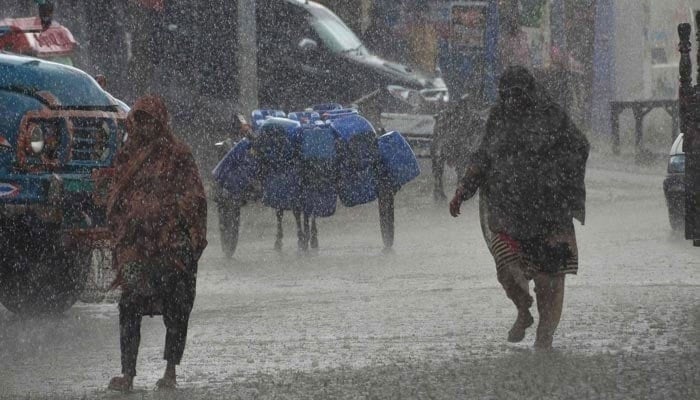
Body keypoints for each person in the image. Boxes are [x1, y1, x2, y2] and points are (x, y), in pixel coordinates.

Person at [449, 66, 589, 350]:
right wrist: (463, 189)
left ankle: (544, 341)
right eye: (507, 94)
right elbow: (483, 156)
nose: (513, 100)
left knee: (550, 282)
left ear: (531, 91)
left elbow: (579, 147)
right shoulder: (498, 118)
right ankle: (524, 311)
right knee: (507, 268)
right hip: (509, 214)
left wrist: (559, 179)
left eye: (518, 93)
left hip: (550, 215)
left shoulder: (553, 117)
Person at [106, 95, 208, 390]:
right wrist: (130, 222)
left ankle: (170, 371)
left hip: (172, 250)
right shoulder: (127, 156)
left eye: (151, 120)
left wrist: (168, 215)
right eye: (140, 121)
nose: (146, 127)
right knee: (129, 303)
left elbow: (195, 197)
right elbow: (116, 197)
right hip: (137, 248)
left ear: (160, 122)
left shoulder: (178, 154)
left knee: (177, 307)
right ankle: (128, 373)